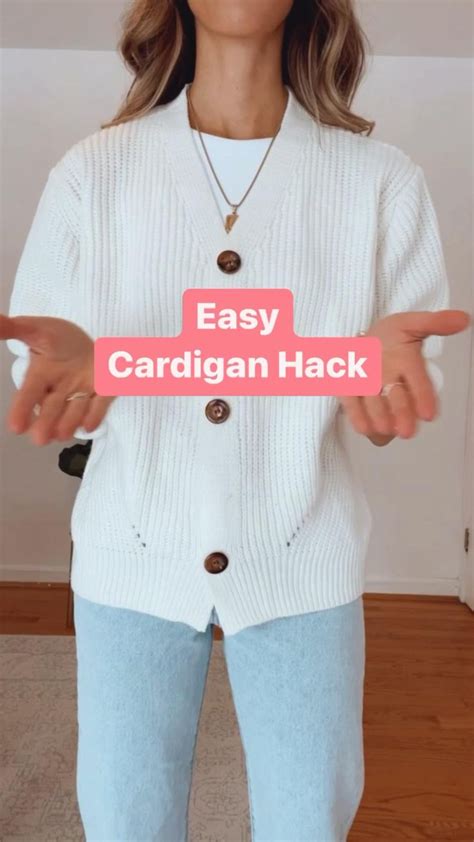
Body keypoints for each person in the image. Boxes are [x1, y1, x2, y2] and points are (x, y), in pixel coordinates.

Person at [1, 0, 470, 839]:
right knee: (124, 822)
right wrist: (76, 381)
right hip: (131, 552)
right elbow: (47, 369)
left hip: (302, 553)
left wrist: (380, 384)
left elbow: (393, 393)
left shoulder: (378, 180)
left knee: (308, 822)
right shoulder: (94, 172)